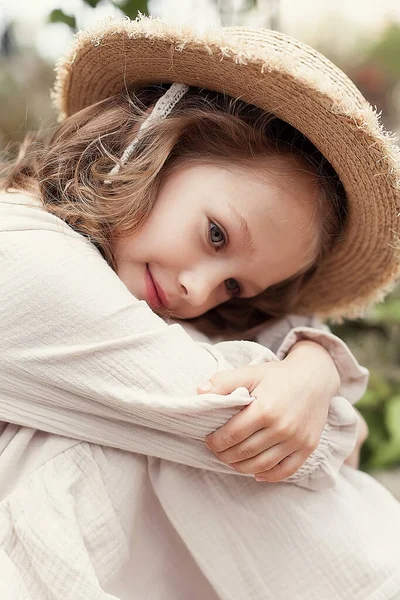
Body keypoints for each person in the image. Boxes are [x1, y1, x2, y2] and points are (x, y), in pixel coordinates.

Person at [0, 15, 399, 600]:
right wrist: (316, 384)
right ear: (158, 148)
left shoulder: (134, 283)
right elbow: (257, 429)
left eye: (236, 287)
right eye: (216, 235)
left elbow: (319, 422)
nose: (201, 292)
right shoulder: (20, 253)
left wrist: (310, 363)